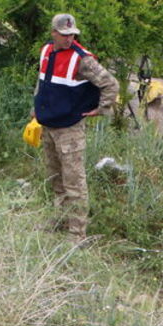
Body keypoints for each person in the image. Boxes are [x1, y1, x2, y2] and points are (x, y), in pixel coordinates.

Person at [32, 13, 119, 241]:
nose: (69, 39)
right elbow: (42, 82)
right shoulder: (46, 50)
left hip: (70, 129)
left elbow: (111, 84)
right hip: (49, 125)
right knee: (56, 178)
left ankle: (77, 233)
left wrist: (101, 108)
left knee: (74, 183)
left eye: (72, 34)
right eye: (64, 34)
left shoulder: (82, 59)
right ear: (54, 33)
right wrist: (36, 108)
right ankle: (60, 219)